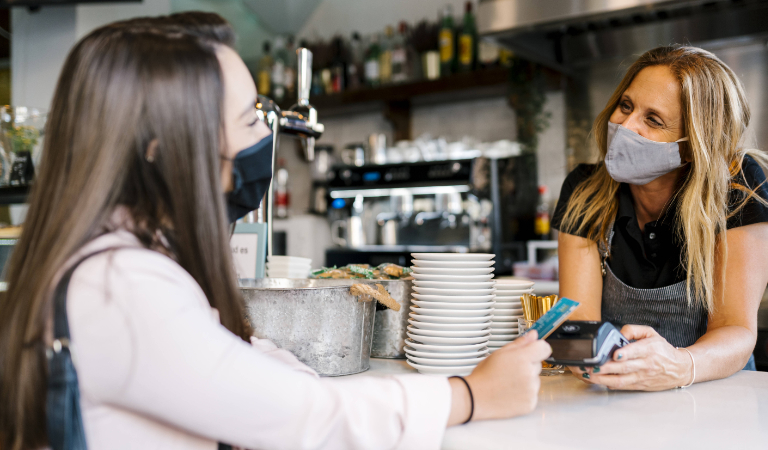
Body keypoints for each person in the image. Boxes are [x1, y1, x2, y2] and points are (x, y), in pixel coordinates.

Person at [0, 15, 552, 450]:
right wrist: (471, 395)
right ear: (163, 148)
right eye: (249, 121)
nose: (265, 136)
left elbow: (239, 366)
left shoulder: (125, 259)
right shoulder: (121, 285)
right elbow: (304, 419)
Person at [552, 45, 768, 391]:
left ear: (692, 145)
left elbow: (736, 329)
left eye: (653, 120)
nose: (625, 126)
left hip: (721, 400)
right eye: (625, 106)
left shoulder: (737, 188)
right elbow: (580, 325)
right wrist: (580, 354)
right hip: (619, 398)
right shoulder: (585, 190)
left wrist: (678, 366)